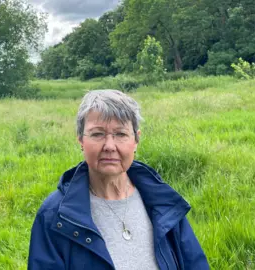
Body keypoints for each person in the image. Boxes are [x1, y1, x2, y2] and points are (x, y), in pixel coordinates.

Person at [28, 90, 209, 270]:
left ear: (136, 140)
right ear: (81, 141)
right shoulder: (55, 215)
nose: (109, 146)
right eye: (97, 134)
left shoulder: (163, 201)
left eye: (121, 134)